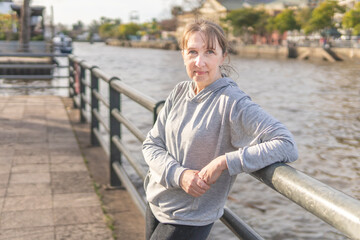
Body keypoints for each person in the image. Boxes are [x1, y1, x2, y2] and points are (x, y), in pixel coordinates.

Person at [142, 19, 298, 240]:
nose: (199, 61)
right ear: (182, 54)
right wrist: (180, 175)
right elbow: (151, 143)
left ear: (223, 56)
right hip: (155, 201)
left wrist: (225, 161)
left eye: (209, 52)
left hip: (188, 218)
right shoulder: (179, 91)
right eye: (193, 52)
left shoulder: (233, 102)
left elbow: (286, 144)